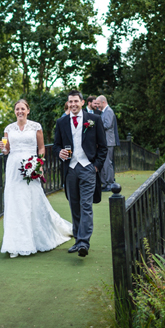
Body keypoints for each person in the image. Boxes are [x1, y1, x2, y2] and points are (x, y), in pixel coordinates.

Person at [0, 99, 72, 258]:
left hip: (31, 167)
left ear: (28, 110)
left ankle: (35, 238)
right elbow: (7, 150)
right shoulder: (8, 129)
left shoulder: (36, 127)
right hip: (13, 170)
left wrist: (38, 164)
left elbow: (41, 148)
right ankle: (15, 243)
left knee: (32, 200)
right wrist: (3, 149)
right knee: (14, 202)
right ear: (14, 111)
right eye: (17, 109)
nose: (20, 112)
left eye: (22, 109)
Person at [53, 91, 107, 257]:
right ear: (68, 104)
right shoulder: (61, 122)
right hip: (70, 169)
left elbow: (103, 146)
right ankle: (77, 240)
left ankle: (84, 242)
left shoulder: (94, 120)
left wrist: (96, 166)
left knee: (86, 205)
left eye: (76, 101)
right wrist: (59, 152)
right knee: (74, 205)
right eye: (70, 102)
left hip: (88, 168)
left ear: (82, 102)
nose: (73, 104)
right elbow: (56, 145)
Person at [96, 95, 120, 190]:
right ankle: (105, 183)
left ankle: (110, 183)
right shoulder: (103, 112)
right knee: (104, 163)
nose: (97, 105)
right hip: (105, 141)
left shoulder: (109, 111)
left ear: (103, 102)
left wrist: (96, 125)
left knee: (107, 163)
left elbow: (107, 125)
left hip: (108, 142)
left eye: (98, 103)